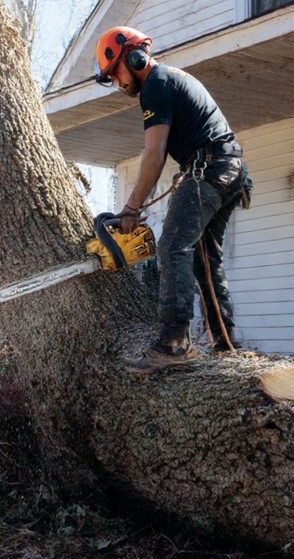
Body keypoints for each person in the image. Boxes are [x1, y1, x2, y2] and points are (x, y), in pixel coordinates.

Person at [94, 26, 251, 373]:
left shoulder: (156, 84)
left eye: (116, 73)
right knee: (204, 257)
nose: (118, 84)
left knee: (172, 247)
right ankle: (226, 346)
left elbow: (155, 153)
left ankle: (174, 343)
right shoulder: (168, 79)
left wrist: (131, 208)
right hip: (228, 167)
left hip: (208, 167)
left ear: (133, 58)